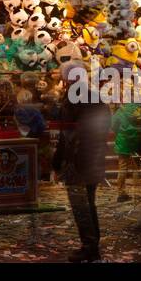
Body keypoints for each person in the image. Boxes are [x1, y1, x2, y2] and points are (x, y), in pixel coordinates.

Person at [55, 63, 112, 262]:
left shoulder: (73, 99)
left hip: (78, 161)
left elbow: (67, 135)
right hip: (94, 157)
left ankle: (89, 246)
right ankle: (92, 244)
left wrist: (58, 162)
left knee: (81, 206)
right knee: (89, 204)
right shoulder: (96, 98)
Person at [112, 101, 141, 201]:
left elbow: (113, 124)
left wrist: (120, 132)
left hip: (123, 140)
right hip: (136, 139)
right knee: (136, 166)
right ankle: (137, 192)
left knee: (122, 167)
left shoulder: (121, 110)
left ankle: (121, 193)